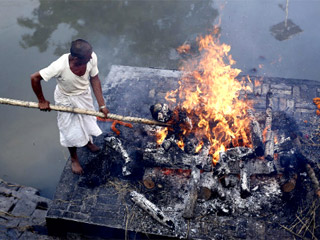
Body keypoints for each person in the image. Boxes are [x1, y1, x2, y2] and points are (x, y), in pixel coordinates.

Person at [31, 39, 109, 175]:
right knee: (69, 129)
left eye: (91, 54)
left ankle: (87, 142)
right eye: (87, 56)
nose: (91, 57)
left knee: (87, 120)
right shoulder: (59, 66)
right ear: (76, 58)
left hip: (84, 95)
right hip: (65, 98)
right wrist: (42, 100)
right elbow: (34, 78)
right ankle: (74, 159)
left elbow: (94, 79)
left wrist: (102, 104)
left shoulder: (91, 57)